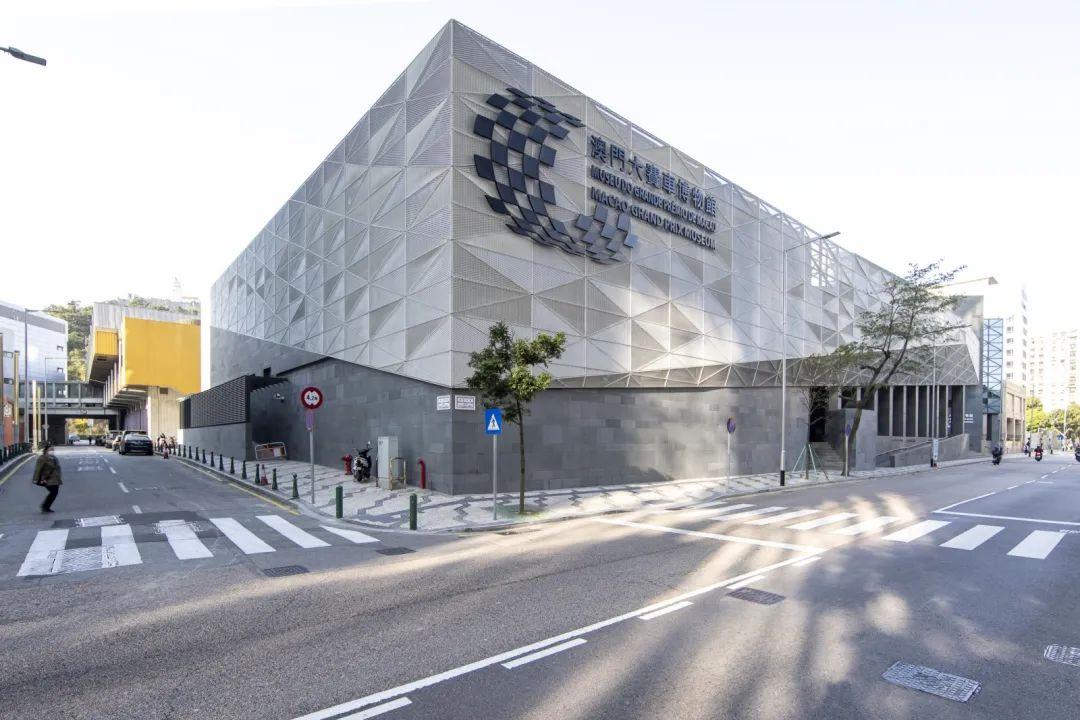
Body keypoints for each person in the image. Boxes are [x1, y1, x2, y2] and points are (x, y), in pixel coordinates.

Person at [32, 443, 62, 513]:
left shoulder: (54, 458)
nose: (52, 451)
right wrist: (35, 479)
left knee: (54, 493)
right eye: (50, 450)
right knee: (53, 493)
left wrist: (59, 477)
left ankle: (45, 506)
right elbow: (38, 469)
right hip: (46, 479)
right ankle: (45, 506)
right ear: (46, 451)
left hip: (55, 479)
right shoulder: (42, 458)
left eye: (53, 450)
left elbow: (58, 468)